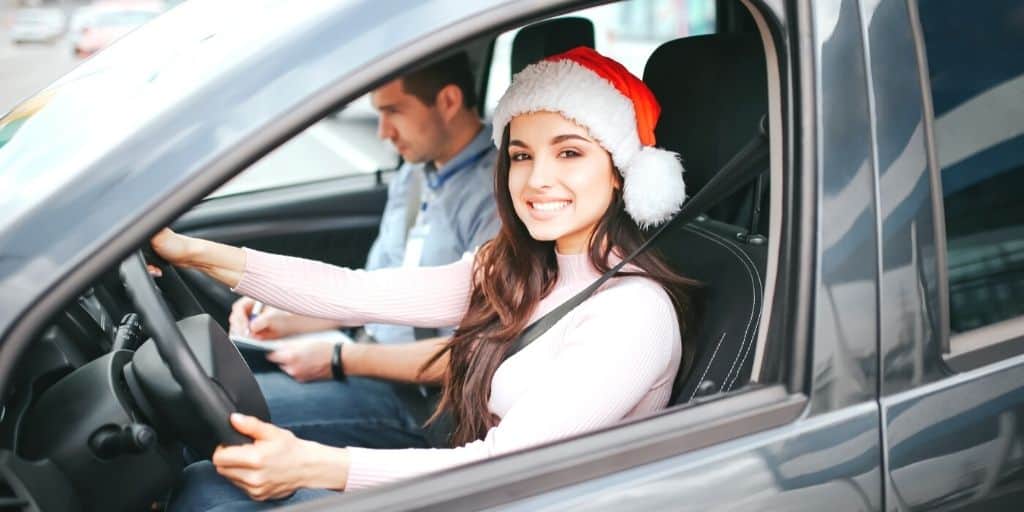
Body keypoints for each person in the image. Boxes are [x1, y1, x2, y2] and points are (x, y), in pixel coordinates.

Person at [156, 47, 698, 510]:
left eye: (570, 153)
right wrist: (192, 252)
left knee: (210, 495)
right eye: (521, 155)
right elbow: (354, 293)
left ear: (623, 170)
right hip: (476, 488)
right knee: (207, 482)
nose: (537, 179)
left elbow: (501, 466)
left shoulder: (633, 313)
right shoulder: (518, 269)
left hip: (503, 491)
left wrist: (312, 466)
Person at [232, 52, 501, 449]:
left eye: (394, 111)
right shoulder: (414, 172)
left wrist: (338, 359)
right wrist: (291, 317)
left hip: (424, 403)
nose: (383, 132)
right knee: (224, 394)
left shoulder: (494, 199)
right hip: (368, 359)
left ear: (448, 101)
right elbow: (377, 290)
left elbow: (472, 357)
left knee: (225, 420)